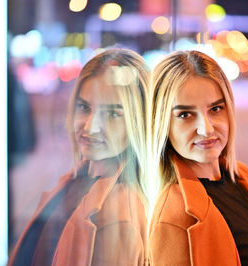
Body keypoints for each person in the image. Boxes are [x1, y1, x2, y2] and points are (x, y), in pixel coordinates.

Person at [147, 50, 248, 266]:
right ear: (162, 124)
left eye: (215, 109)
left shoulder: (241, 178)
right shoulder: (175, 217)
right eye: (185, 114)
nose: (206, 128)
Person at [8, 48, 149, 266]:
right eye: (84, 107)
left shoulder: (118, 214)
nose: (91, 127)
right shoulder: (80, 180)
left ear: (139, 119)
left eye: (113, 114)